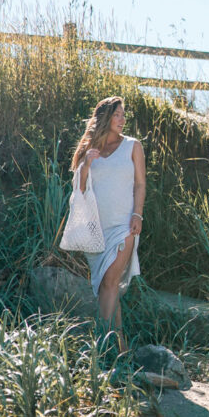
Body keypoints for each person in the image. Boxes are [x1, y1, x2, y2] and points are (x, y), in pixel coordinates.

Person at [70, 95, 146, 351]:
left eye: (124, 115)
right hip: (95, 231)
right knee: (107, 285)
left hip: (124, 226)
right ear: (105, 118)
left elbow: (140, 184)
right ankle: (121, 347)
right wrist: (87, 164)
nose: (122, 120)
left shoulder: (133, 146)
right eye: (117, 115)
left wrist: (138, 214)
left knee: (110, 282)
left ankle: (99, 346)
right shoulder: (91, 149)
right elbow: (79, 190)